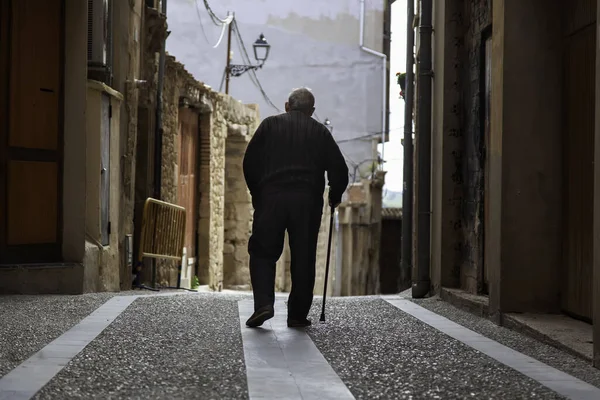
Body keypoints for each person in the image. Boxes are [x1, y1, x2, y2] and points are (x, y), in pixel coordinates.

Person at [242, 87, 349, 328]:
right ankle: (297, 314)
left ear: (287, 105)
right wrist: (335, 193)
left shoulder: (269, 126)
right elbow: (339, 169)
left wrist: (257, 192)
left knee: (262, 252)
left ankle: (263, 305)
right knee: (304, 256)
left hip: (271, 199)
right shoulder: (320, 132)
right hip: (307, 202)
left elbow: (249, 162)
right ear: (312, 111)